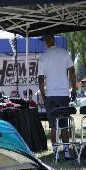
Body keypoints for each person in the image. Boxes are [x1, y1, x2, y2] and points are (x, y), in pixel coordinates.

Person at [38, 32, 77, 160]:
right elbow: (72, 71)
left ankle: (55, 154)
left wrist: (43, 95)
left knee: (53, 125)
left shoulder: (43, 57)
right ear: (54, 40)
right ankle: (66, 153)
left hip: (50, 95)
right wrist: (74, 89)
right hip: (63, 93)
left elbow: (40, 79)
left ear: (46, 42)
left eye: (44, 41)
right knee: (64, 124)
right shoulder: (64, 53)